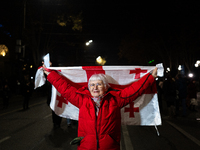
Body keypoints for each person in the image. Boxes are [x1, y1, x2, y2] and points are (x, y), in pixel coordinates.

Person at [43, 64, 157, 150]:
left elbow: (134, 91)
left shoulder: (115, 100)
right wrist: (50, 74)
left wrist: (151, 77)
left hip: (110, 147)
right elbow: (65, 89)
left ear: (106, 87)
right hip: (86, 147)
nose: (95, 87)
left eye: (99, 84)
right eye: (92, 85)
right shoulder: (82, 100)